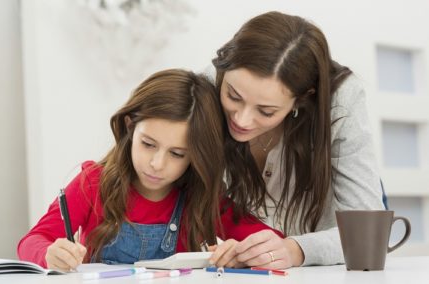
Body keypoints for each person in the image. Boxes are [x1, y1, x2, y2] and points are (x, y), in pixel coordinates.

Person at [17, 69, 283, 271]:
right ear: (130, 126)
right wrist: (50, 254)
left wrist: (243, 253)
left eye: (177, 154)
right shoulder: (93, 183)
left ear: (196, 157)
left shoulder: (202, 198)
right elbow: (32, 240)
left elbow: (273, 243)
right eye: (148, 144)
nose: (157, 164)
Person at [209, 11, 384, 269]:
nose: (242, 120)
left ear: (302, 98)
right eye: (233, 96)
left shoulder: (341, 101)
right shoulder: (205, 88)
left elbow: (367, 233)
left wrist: (295, 250)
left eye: (266, 111)